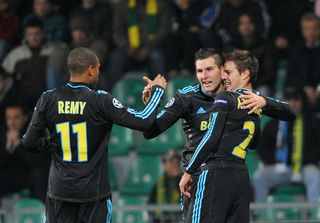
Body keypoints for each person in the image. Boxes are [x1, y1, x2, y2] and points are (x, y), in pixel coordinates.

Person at [142, 48, 295, 219]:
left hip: (216, 174)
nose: (204, 76)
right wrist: (152, 106)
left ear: (222, 70)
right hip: (196, 181)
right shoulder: (186, 97)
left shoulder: (238, 97)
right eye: (199, 71)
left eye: (209, 69)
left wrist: (265, 102)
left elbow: (255, 138)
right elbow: (150, 131)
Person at [22, 47, 167, 223]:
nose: (99, 73)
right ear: (90, 69)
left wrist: (51, 143)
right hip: (93, 195)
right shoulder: (100, 100)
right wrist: (157, 92)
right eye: (98, 68)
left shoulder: (48, 98)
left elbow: (29, 141)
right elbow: (143, 121)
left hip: (59, 192)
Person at [253, 86, 320, 206]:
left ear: (301, 102)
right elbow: (262, 148)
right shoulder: (273, 124)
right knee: (259, 178)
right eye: (289, 100)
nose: (293, 103)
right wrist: (274, 161)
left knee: (315, 175)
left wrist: (306, 160)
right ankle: (258, 216)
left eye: (296, 100)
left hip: (304, 168)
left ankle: (313, 215)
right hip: (280, 168)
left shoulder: (312, 122)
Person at [148, 150, 182, 223]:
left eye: (177, 162)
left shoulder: (184, 181)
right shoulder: (159, 184)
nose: (174, 165)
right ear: (164, 165)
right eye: (171, 162)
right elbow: (151, 204)